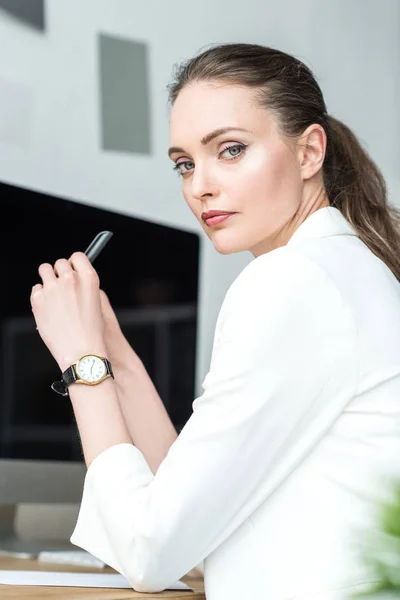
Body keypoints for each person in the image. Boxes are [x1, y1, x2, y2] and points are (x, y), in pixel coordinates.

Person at [30, 43, 400, 599]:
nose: (198, 185)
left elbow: (149, 553)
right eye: (185, 164)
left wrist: (84, 365)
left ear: (309, 152)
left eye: (230, 150)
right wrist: (115, 353)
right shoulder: (342, 270)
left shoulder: (292, 282)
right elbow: (189, 517)